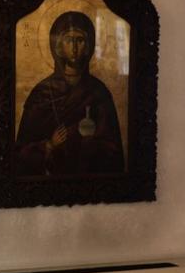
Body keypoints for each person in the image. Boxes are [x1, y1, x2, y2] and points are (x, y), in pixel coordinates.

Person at [13, 11, 125, 176]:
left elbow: (113, 152)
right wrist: (49, 145)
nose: (73, 47)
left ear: (88, 45)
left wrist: (89, 143)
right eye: (68, 40)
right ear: (58, 45)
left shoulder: (98, 92)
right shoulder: (42, 92)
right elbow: (22, 153)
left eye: (79, 40)